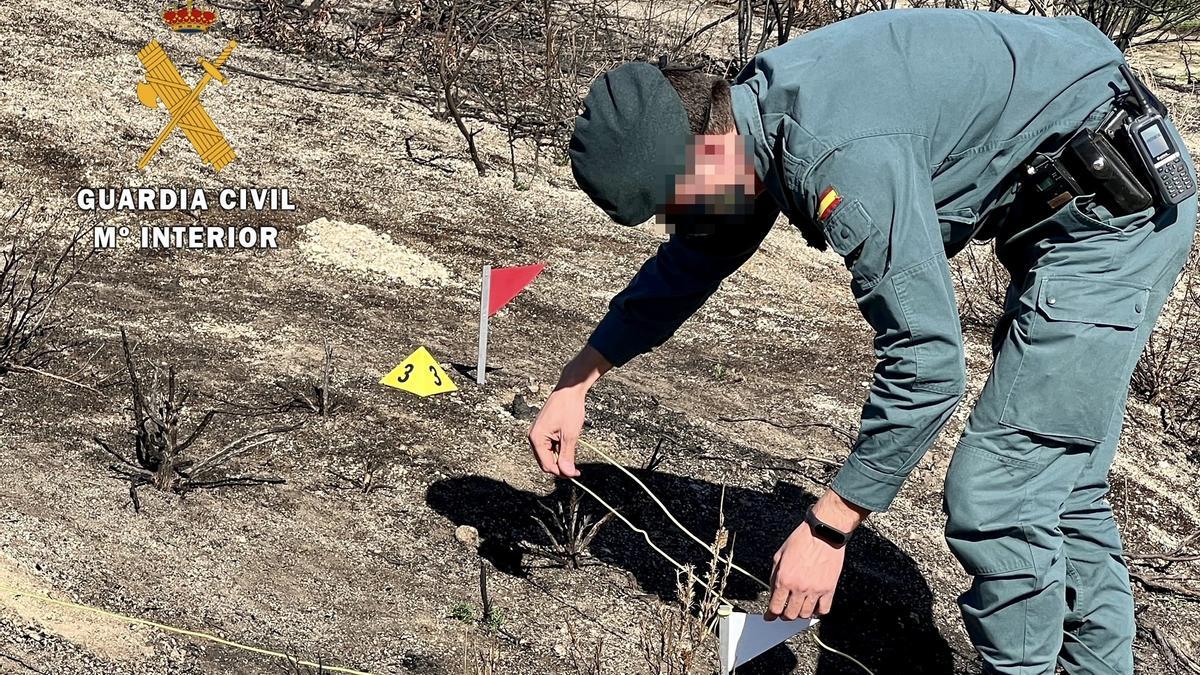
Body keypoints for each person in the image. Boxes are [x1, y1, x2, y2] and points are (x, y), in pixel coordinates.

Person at [526, 9, 1198, 674]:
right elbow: (696, 258)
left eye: (674, 204)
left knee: (1000, 491)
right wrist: (578, 377)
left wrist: (829, 525)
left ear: (709, 146)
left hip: (1116, 210)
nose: (678, 223)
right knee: (1061, 482)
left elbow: (929, 365)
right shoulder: (753, 115)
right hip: (1080, 184)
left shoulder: (836, 150)